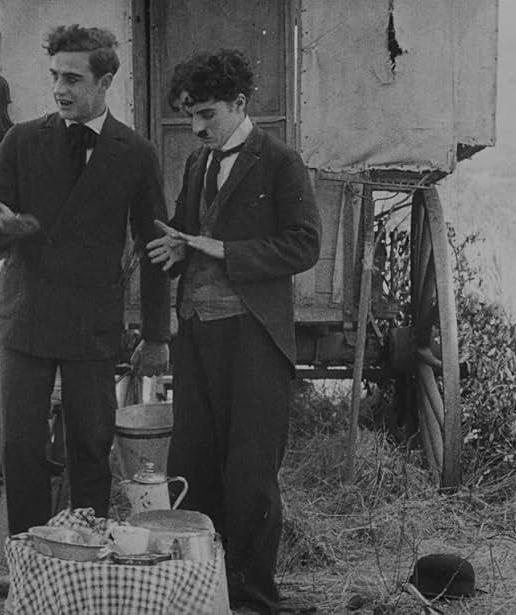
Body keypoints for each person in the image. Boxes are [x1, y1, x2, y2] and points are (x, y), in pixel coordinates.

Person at [0, 24, 170, 596]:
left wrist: (156, 335)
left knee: (90, 444)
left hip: (92, 326)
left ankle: (87, 566)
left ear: (106, 80)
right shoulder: (20, 143)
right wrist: (1, 231)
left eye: (73, 78)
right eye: (55, 75)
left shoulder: (135, 153)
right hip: (23, 323)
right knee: (23, 449)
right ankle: (28, 569)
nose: (59, 88)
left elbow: (155, 250)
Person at [146, 49, 321, 614]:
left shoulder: (280, 161)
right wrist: (176, 246)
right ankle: (202, 590)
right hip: (197, 335)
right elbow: (185, 228)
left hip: (253, 339)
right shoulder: (200, 163)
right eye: (191, 116)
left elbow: (305, 244)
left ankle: (251, 598)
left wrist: (224, 250)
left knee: (250, 472)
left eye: (207, 115)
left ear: (242, 105)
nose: (197, 128)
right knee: (192, 464)